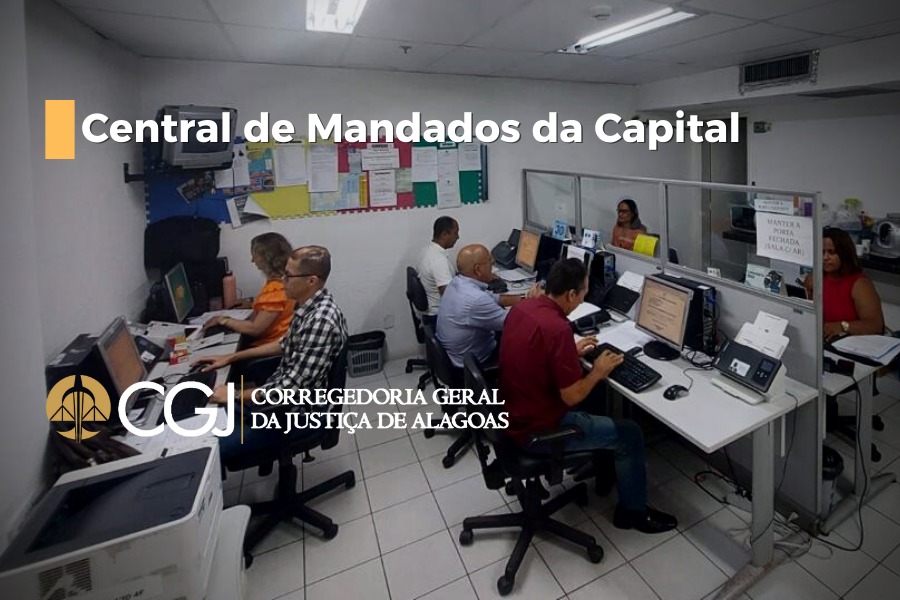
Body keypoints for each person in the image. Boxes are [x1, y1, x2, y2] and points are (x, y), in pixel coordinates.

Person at [499, 258, 677, 534]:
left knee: (598, 402)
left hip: (512, 413)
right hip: (538, 430)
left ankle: (604, 472)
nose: (584, 299)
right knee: (630, 433)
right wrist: (597, 372)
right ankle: (632, 514)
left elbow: (534, 355)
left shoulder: (524, 308)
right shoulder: (556, 328)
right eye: (583, 293)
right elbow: (571, 397)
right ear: (571, 294)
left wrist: (570, 352)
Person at [195, 246, 348, 461]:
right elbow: (283, 344)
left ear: (311, 281)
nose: (282, 280)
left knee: (204, 448)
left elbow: (288, 390)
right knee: (203, 419)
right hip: (277, 403)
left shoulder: (320, 321)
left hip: (292, 415)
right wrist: (230, 357)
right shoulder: (308, 306)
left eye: (288, 276)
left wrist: (235, 395)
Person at [437, 244, 540, 368]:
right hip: (472, 363)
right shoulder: (476, 299)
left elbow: (495, 298)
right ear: (478, 269)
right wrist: (535, 303)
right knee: (528, 339)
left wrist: (526, 298)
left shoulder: (457, 282)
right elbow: (512, 323)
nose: (493, 264)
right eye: (490, 261)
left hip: (456, 354)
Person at [202, 233, 296, 347]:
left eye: (255, 256)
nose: (252, 260)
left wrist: (223, 320)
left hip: (267, 347)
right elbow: (277, 309)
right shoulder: (287, 281)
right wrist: (252, 305)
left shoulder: (276, 290)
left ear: (266, 257)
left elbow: (255, 329)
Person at [804, 228, 884, 341]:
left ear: (844, 254)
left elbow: (875, 325)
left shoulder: (859, 284)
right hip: (823, 341)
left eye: (832, 252)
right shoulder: (815, 278)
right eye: (822, 252)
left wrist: (843, 326)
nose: (825, 258)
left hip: (852, 344)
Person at [418, 216, 460, 319]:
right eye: (455, 233)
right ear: (444, 234)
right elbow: (448, 294)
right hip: (439, 316)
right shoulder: (438, 260)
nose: (458, 237)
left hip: (430, 312)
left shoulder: (427, 250)